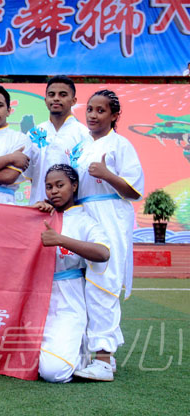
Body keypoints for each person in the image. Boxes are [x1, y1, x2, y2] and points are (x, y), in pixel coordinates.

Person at [73, 89, 144, 381]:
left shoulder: (121, 145)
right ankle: (101, 354)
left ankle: (102, 359)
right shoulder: (80, 146)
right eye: (90, 109)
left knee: (104, 281)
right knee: (84, 285)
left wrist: (107, 174)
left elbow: (135, 190)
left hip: (110, 216)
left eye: (101, 110)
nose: (93, 115)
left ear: (115, 116)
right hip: (82, 215)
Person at [32, 164, 110, 383]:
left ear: (74, 186)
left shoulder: (85, 220)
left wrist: (61, 240)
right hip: (37, 297)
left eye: (60, 185)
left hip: (68, 297)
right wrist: (33, 214)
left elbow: (103, 253)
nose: (54, 191)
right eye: (48, 187)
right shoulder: (40, 214)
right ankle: (68, 350)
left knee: (53, 372)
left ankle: (79, 353)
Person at [27, 75, 90, 205]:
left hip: (73, 210)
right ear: (45, 100)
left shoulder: (84, 135)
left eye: (62, 95)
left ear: (73, 101)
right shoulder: (33, 134)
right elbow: (31, 176)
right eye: (52, 94)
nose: (56, 98)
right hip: (39, 206)